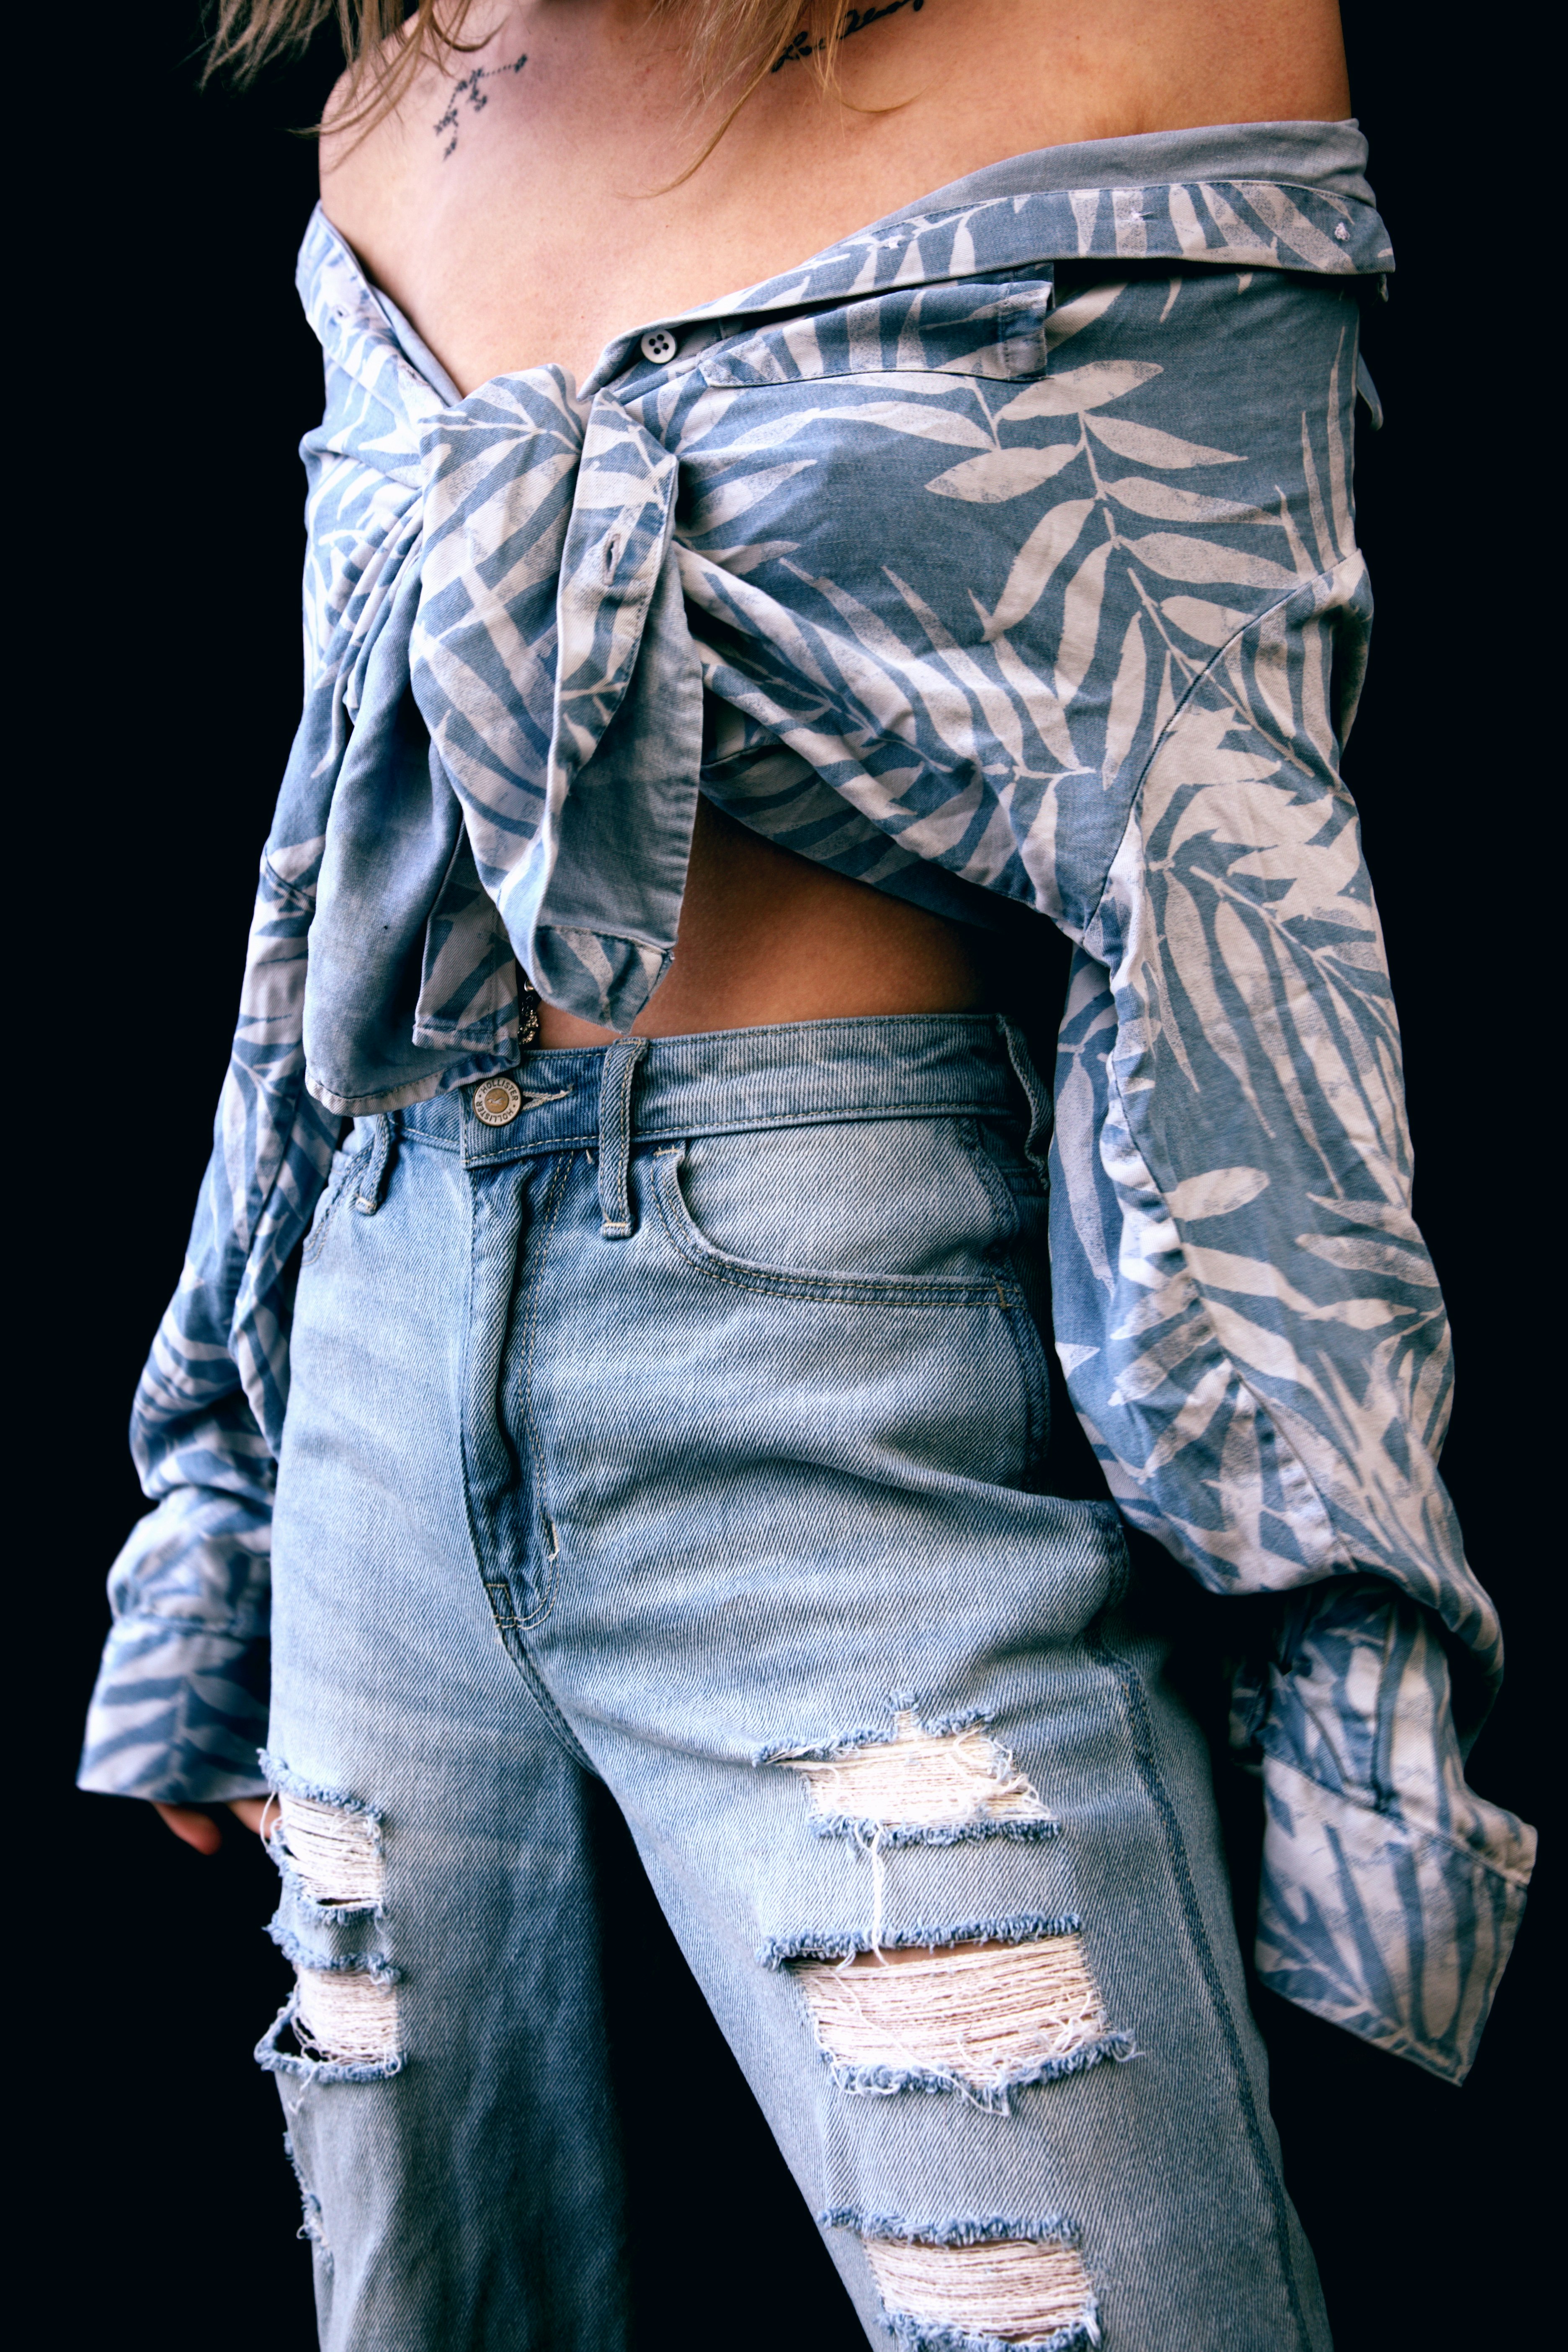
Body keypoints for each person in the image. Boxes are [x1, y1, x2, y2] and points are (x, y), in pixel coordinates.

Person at [79, 3, 1536, 2345]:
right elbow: (328, 857)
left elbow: (1239, 865)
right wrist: (222, 1498)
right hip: (373, 1312)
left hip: (832, 1347)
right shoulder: (412, 75)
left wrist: (1347, 1633)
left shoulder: (1153, 32)